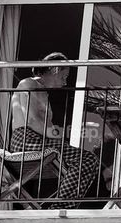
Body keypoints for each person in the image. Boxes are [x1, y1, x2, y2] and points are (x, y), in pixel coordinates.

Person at [9, 53, 103, 206]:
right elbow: (32, 120)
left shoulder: (42, 91)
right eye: (64, 77)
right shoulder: (28, 84)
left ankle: (65, 205)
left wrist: (66, 134)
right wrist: (59, 134)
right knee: (87, 159)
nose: (65, 83)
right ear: (55, 69)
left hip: (38, 141)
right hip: (26, 140)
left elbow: (46, 126)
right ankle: (60, 206)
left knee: (90, 162)